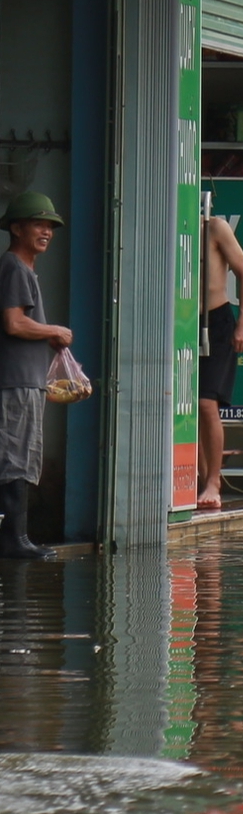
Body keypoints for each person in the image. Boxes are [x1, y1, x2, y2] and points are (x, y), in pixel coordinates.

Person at [0, 193, 71, 560]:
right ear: (16, 228)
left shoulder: (24, 269)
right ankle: (13, 540)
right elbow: (13, 322)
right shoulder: (14, 267)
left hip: (25, 380)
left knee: (21, 458)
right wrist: (52, 331)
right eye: (38, 224)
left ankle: (16, 536)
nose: (46, 231)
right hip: (14, 382)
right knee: (14, 458)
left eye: (50, 226)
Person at [196, 214, 243, 510]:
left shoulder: (213, 227)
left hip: (217, 320)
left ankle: (213, 481)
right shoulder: (166, 225)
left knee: (207, 402)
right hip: (181, 321)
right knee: (186, 405)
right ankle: (200, 477)